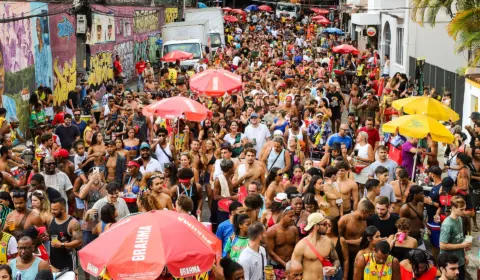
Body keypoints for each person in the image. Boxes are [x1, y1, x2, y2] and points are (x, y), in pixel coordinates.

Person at [291, 213, 341, 280]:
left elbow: (336, 260)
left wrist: (334, 268)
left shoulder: (328, 242)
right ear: (316, 226)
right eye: (325, 224)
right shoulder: (301, 245)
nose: (327, 226)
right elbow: (293, 268)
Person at [339, 199, 375, 280]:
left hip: (360, 255)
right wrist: (353, 242)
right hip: (347, 256)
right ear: (364, 212)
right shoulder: (344, 220)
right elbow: (338, 240)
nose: (370, 217)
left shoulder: (364, 221)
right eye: (369, 215)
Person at [439, 196, 471, 280]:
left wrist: (464, 255)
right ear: (453, 208)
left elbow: (459, 239)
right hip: (450, 264)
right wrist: (462, 245)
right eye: (461, 209)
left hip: (459, 261)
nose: (464, 212)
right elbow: (442, 245)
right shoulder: (447, 224)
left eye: (464, 209)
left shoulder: (459, 219)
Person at [49, 197, 82, 271]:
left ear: (63, 209)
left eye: (55, 210)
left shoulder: (73, 223)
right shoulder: (51, 219)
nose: (52, 211)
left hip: (68, 260)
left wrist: (62, 245)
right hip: (54, 259)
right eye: (51, 209)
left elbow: (79, 242)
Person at [266, 206, 299, 278]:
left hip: (291, 265)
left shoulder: (294, 230)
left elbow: (297, 248)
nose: (293, 219)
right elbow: (270, 252)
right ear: (283, 216)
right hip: (277, 266)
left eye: (294, 216)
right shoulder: (272, 231)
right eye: (291, 216)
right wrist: (284, 264)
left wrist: (292, 263)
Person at [399, 185, 425, 250]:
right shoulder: (405, 208)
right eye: (421, 194)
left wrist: (425, 229)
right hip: (409, 238)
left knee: (420, 257)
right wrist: (401, 241)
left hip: (419, 237)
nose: (423, 195)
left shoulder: (421, 205)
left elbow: (421, 220)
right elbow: (400, 225)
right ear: (415, 195)